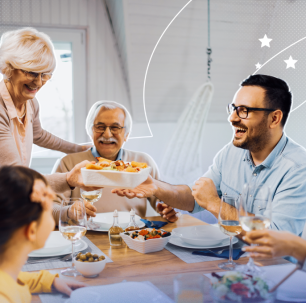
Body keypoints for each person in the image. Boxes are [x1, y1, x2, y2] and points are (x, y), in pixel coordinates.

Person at [112, 74, 306, 235]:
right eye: (234, 108)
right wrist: (156, 186)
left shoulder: (298, 169)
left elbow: (277, 239)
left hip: (275, 272)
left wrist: (215, 204)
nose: (232, 118)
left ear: (274, 118)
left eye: (244, 111)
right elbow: (196, 197)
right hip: (228, 260)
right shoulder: (231, 152)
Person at [52, 100, 178, 223]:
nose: (107, 134)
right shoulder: (67, 163)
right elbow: (48, 208)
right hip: (85, 239)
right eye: (100, 127)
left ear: (126, 134)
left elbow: (160, 200)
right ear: (90, 131)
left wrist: (166, 209)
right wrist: (68, 211)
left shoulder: (144, 162)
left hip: (133, 238)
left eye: (115, 127)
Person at [0, 166, 87, 303]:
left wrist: (48, 281)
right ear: (31, 231)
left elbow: (13, 277)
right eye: (48, 210)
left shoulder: (6, 273)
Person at [0, 27, 90, 168]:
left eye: (45, 74)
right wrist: (70, 178)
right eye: (32, 73)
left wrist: (78, 149)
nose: (38, 82)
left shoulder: (31, 104)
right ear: (8, 68)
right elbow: (15, 173)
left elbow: (38, 135)